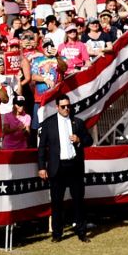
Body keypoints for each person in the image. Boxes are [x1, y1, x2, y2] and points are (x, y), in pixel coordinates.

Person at [37, 95, 94, 242]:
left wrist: (79, 139)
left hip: (74, 165)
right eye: (63, 106)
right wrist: (42, 167)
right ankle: (57, 234)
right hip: (57, 166)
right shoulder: (49, 124)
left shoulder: (77, 122)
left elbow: (89, 140)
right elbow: (42, 147)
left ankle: (81, 232)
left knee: (78, 200)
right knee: (57, 202)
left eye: (68, 106)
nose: (66, 109)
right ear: (57, 107)